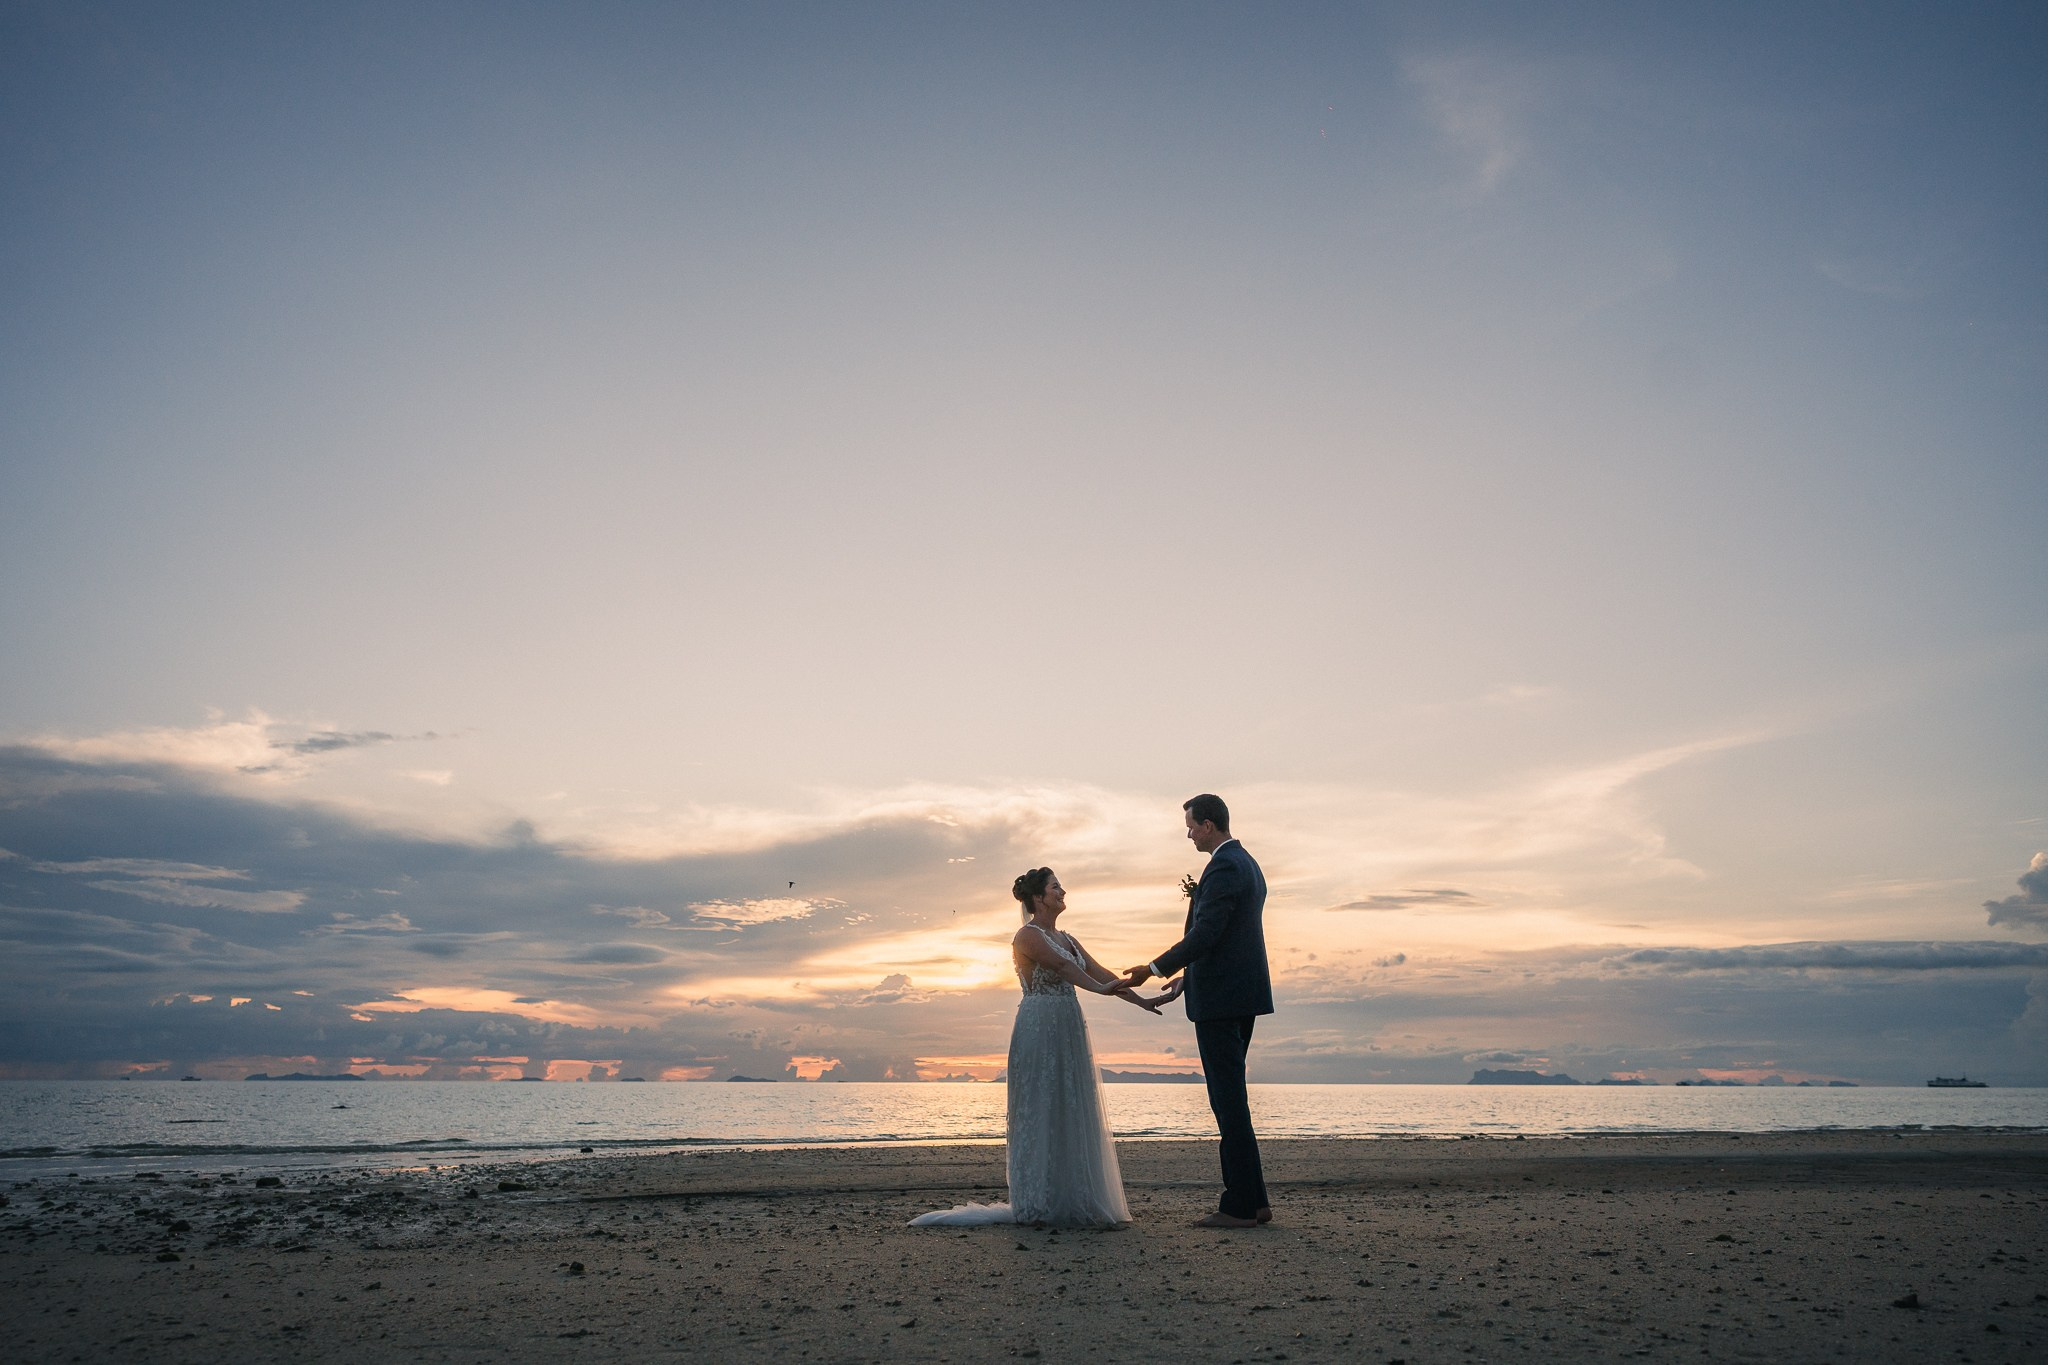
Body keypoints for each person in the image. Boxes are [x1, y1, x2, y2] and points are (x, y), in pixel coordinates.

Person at [911, 867, 1179, 1227]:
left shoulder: (1067, 936)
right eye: (1056, 887)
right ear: (1038, 898)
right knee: (1041, 1105)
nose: (1063, 891)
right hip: (1039, 1026)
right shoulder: (1027, 936)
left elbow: (1100, 972)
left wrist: (1140, 1000)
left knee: (1071, 1102)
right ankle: (1038, 1201)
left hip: (1068, 1023)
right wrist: (1098, 990)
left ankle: (1073, 1196)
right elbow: (1062, 967)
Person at [1121, 794, 1273, 1228]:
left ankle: (1241, 1206)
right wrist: (1189, 977)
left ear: (1208, 825)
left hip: (1223, 1001)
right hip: (1237, 995)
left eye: (1190, 826)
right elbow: (1230, 935)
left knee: (1227, 1103)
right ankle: (1255, 1201)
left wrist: (1153, 968)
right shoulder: (1248, 863)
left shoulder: (1224, 866)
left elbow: (1207, 932)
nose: (1188, 834)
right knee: (1233, 1101)